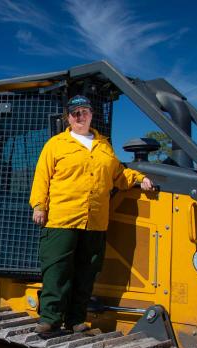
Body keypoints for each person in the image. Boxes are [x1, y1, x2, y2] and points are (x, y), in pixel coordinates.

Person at [29, 95, 155, 334]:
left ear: (91, 115)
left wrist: (140, 178)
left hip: (95, 221)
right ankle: (50, 319)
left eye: (84, 111)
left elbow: (119, 175)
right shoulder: (56, 144)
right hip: (62, 218)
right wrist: (39, 206)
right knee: (57, 269)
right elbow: (42, 177)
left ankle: (76, 320)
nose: (80, 116)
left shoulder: (104, 146)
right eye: (75, 112)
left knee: (87, 272)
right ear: (68, 117)